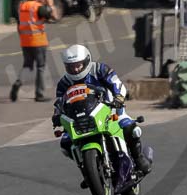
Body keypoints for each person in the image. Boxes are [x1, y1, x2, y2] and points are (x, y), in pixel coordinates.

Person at [51, 44, 152, 179]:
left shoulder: (100, 69)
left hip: (110, 110)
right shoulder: (64, 83)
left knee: (129, 127)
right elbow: (59, 102)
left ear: (86, 61)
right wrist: (57, 115)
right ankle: (87, 170)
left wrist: (119, 97)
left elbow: (117, 84)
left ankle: (138, 158)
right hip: (80, 119)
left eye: (78, 65)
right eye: (71, 66)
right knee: (65, 143)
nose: (75, 69)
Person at [10, 0, 60, 102]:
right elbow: (55, 17)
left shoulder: (23, 6)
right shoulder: (39, 8)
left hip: (25, 41)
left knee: (27, 65)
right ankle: (39, 94)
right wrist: (51, 5)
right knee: (40, 67)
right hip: (38, 41)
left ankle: (19, 82)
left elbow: (19, 24)